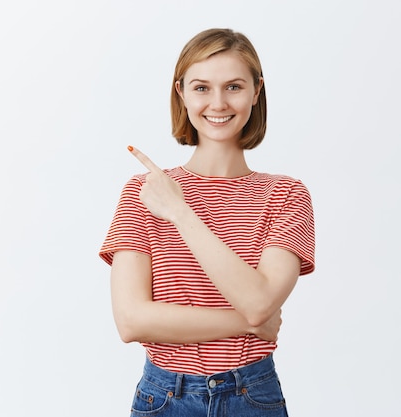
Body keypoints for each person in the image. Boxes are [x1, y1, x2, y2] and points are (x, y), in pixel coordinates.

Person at [99, 28, 315, 416]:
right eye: (202, 87)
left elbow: (259, 302)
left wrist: (181, 212)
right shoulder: (144, 190)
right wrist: (250, 325)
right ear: (181, 92)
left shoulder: (286, 195)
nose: (218, 103)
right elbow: (132, 321)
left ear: (256, 91)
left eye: (233, 86)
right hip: (164, 397)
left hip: (252, 394)